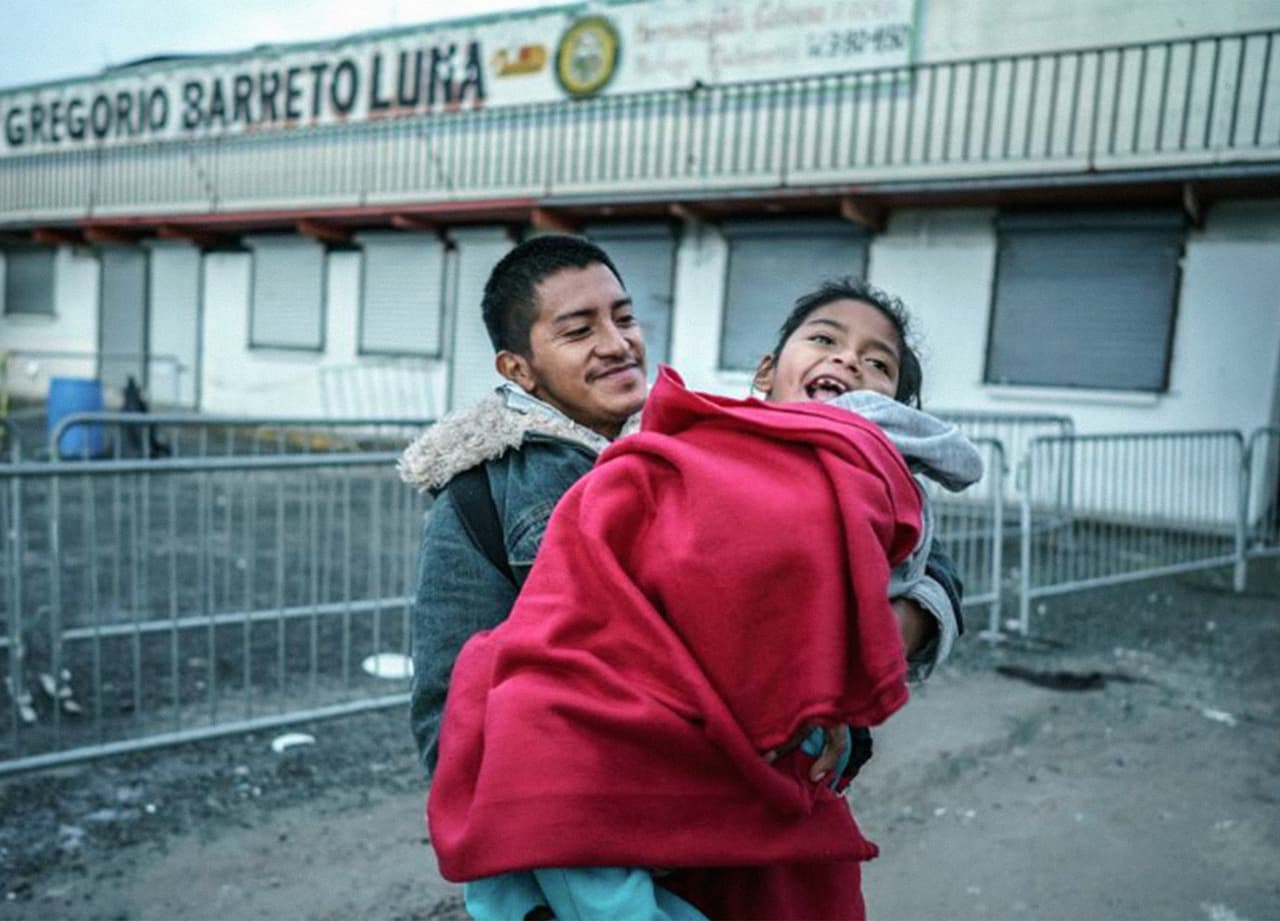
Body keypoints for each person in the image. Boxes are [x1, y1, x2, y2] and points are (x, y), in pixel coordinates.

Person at [421, 269, 980, 920]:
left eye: (624, 318)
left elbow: (921, 566)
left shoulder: (709, 440)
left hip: (748, 800)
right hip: (595, 790)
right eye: (579, 329)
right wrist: (527, 829)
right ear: (519, 367)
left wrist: (847, 670)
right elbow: (451, 703)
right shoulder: (481, 493)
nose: (615, 343)